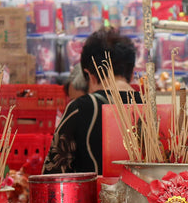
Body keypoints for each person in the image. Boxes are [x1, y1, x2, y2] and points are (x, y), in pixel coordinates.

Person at [42, 27, 136, 175]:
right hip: (148, 198)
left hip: (94, 198)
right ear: (132, 73)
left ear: (89, 75)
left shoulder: (81, 108)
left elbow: (53, 175)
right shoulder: (155, 109)